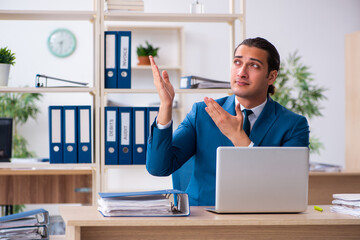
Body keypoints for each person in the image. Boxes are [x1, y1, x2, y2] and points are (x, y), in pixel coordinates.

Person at [146, 37, 310, 206]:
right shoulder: (202, 113)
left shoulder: (293, 125)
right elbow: (159, 167)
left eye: (254, 65)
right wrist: (166, 105)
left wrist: (239, 138)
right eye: (237, 62)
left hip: (261, 220)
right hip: (203, 219)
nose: (241, 72)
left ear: (271, 77)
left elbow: (287, 186)